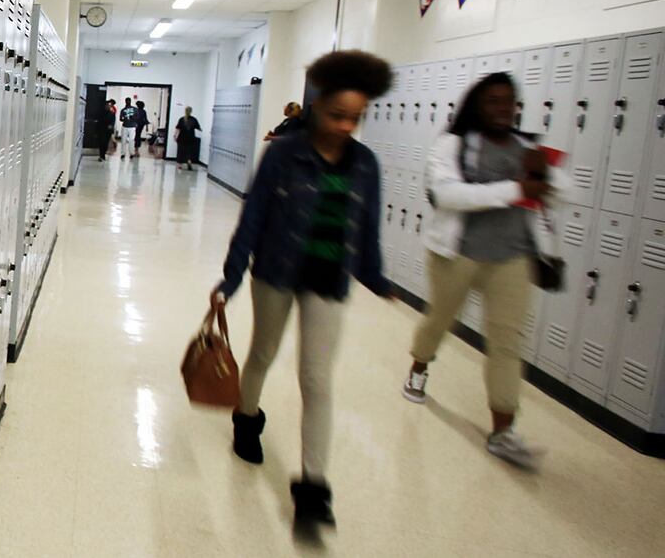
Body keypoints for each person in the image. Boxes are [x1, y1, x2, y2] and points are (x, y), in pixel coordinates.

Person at [213, 50, 392, 532]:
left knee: (317, 380)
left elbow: (368, 226)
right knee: (263, 353)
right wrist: (231, 276)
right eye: (338, 115)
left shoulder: (366, 165)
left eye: (356, 118)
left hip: (329, 280)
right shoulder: (283, 154)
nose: (347, 127)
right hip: (277, 270)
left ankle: (313, 486)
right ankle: (246, 418)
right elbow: (253, 216)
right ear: (316, 107)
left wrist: (376, 276)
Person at [401, 72, 571, 469]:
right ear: (477, 104)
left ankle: (503, 431)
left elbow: (567, 192)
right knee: (440, 321)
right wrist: (516, 189)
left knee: (507, 342)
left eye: (508, 101)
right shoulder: (453, 145)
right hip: (457, 254)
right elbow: (447, 194)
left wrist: (543, 175)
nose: (501, 109)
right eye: (492, 100)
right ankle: (419, 366)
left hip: (513, 257)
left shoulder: (527, 147)